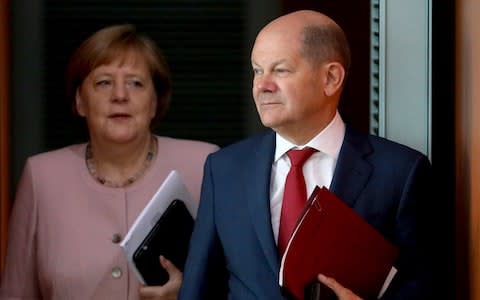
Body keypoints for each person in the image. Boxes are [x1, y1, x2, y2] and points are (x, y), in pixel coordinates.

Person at [179, 10, 437, 300]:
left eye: (280, 70)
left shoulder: (400, 172)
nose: (262, 86)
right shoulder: (224, 168)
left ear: (331, 78)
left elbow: (425, 289)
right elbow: (198, 288)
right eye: (257, 70)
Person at [0, 24, 219, 300]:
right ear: (80, 101)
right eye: (104, 82)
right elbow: (15, 292)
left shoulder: (204, 165)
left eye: (135, 83)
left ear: (155, 102)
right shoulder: (42, 176)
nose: (120, 95)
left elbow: (241, 283)